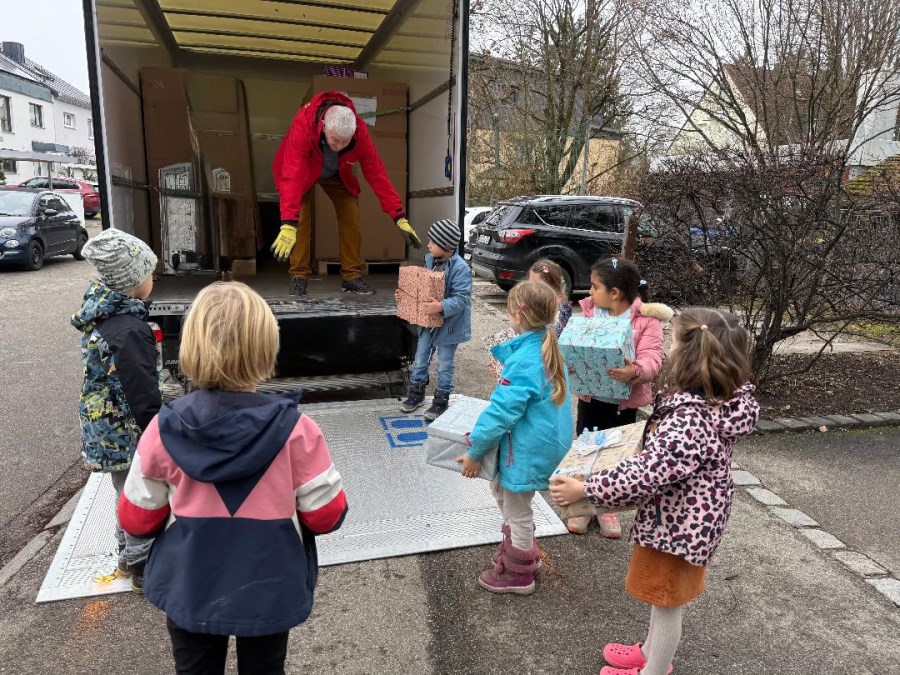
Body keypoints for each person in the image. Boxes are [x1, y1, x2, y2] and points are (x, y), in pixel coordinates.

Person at [117, 282, 348, 674]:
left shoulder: (162, 429)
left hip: (190, 587)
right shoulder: (297, 431)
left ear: (190, 346)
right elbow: (325, 515)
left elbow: (136, 519)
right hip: (269, 587)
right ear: (266, 348)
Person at [550, 307, 759, 675]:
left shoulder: (690, 418)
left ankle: (655, 669)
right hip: (686, 518)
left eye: (673, 341)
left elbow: (648, 473)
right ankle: (650, 651)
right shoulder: (712, 402)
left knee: (665, 601)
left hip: (679, 527)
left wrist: (588, 488)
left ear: (689, 356)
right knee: (661, 595)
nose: (667, 349)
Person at [458, 281, 573, 595]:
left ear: (518, 316)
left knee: (516, 508)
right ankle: (523, 550)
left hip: (526, 449)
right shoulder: (545, 346)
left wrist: (475, 451)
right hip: (540, 444)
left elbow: (502, 412)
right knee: (511, 500)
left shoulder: (525, 360)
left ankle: (518, 572)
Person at [71, 228, 162, 592]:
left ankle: (126, 551)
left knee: (125, 493)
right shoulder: (129, 332)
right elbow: (140, 393)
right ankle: (142, 565)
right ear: (132, 281)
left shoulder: (105, 316)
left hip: (105, 429)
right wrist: (159, 431)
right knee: (141, 496)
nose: (153, 279)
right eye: (150, 273)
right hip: (127, 432)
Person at [272, 91, 422, 297]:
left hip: (336, 173)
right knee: (301, 219)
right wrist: (288, 223)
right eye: (335, 140)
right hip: (302, 173)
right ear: (324, 125)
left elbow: (376, 172)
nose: (339, 146)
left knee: (351, 214)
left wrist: (399, 215)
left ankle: (351, 277)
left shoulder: (359, 130)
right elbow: (292, 172)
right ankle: (299, 276)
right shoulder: (304, 122)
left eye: (345, 141)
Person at [567, 256, 673, 538]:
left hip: (622, 405)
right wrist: (571, 362)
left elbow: (654, 358)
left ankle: (607, 506)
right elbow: (575, 346)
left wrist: (635, 370)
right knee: (587, 450)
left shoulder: (646, 322)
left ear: (614, 293)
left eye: (594, 287)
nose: (589, 293)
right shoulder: (589, 314)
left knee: (615, 456)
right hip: (592, 399)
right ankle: (582, 505)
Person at [398, 219, 472, 421]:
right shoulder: (430, 260)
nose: (428, 244)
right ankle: (416, 395)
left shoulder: (460, 268)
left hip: (449, 326)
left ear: (447, 246)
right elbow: (421, 288)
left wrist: (441, 307)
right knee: (420, 358)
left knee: (445, 364)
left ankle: (440, 400)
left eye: (433, 241)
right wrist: (405, 295)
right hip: (427, 325)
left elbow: (463, 299)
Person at [527, 258, 572, 337]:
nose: (531, 290)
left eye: (537, 286)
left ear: (553, 287)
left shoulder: (557, 310)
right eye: (529, 285)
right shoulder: (537, 303)